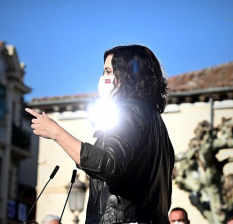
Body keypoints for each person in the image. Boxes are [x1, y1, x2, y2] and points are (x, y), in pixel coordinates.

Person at [26, 44, 175, 224]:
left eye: (108, 71)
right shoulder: (155, 122)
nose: (104, 77)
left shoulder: (129, 111)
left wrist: (57, 133)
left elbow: (108, 165)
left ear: (127, 74)